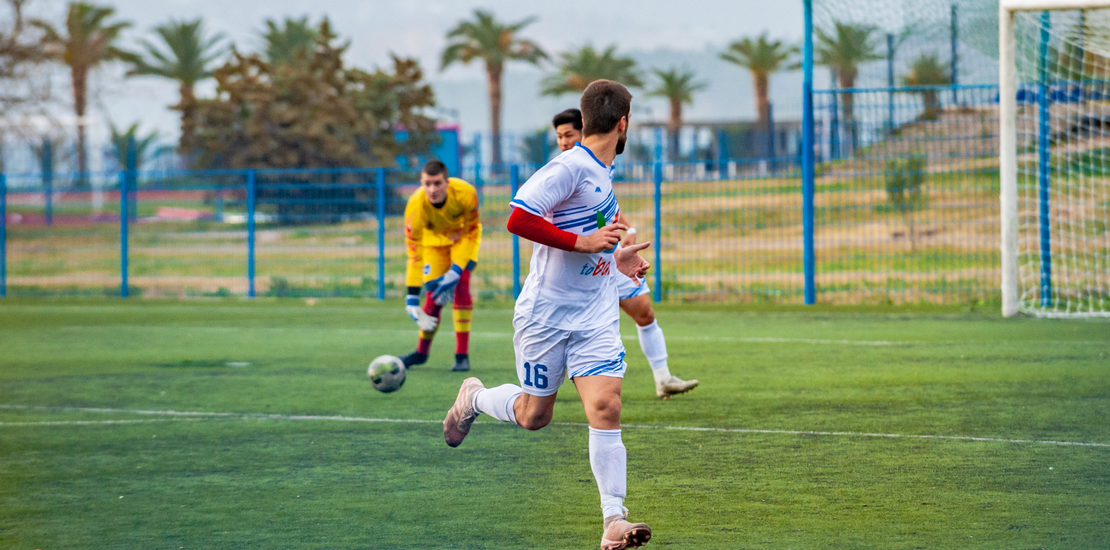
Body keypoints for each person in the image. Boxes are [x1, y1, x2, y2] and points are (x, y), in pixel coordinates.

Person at [444, 81, 654, 549]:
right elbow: (518, 216)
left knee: (606, 405)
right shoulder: (570, 167)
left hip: (595, 317)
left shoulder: (603, 172)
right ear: (623, 125)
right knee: (535, 416)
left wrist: (615, 264)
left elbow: (591, 243)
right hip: (546, 317)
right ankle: (473, 398)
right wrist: (582, 243)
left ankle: (613, 521)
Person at [551, 108, 698, 399]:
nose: (564, 142)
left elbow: (604, 207)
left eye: (569, 134)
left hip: (609, 256)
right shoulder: (563, 171)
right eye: (559, 137)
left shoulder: (601, 165)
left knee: (644, 312)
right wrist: (582, 242)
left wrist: (627, 230)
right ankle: (560, 385)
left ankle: (663, 378)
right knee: (578, 327)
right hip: (578, 265)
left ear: (585, 132)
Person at [398, 160, 481, 372]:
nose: (432, 189)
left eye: (437, 183)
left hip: (463, 241)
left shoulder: (465, 193)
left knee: (461, 284)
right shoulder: (415, 206)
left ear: (447, 182)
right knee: (433, 295)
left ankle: (462, 355)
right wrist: (411, 297)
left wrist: (455, 270)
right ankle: (421, 353)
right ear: (421, 183)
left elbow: (472, 230)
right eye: (427, 184)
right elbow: (414, 255)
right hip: (434, 246)